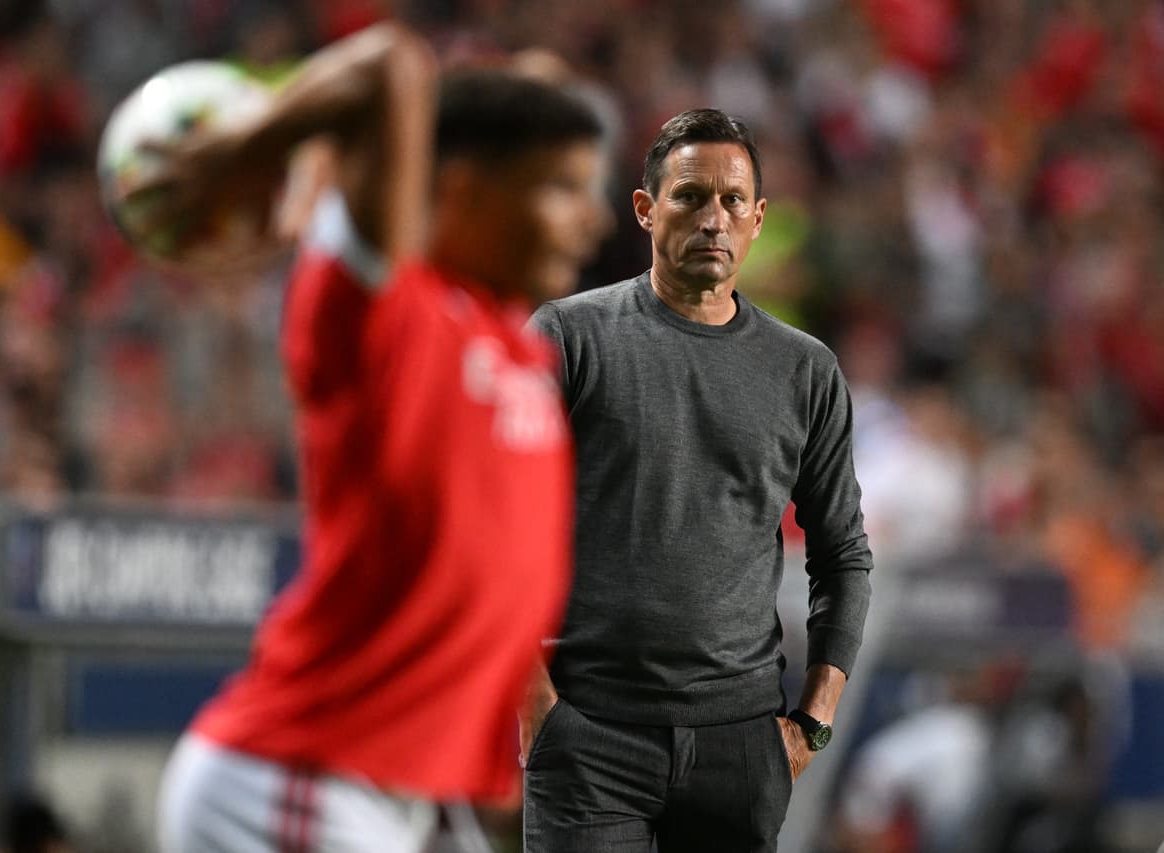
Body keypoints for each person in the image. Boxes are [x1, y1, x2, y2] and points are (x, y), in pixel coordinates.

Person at [131, 22, 613, 853]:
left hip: (404, 798)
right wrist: (246, 148)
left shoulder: (508, 332)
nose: (594, 219)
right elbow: (392, 65)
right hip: (299, 778)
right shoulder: (382, 314)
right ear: (463, 190)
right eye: (562, 188)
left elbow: (529, 84)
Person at [521, 109, 874, 852]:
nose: (714, 218)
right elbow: (494, 529)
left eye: (732, 200)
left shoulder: (805, 370)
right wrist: (533, 702)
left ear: (758, 218)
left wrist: (812, 721)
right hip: (588, 733)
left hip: (740, 745)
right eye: (689, 196)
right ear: (645, 209)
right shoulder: (568, 338)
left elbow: (842, 554)